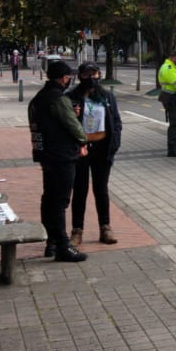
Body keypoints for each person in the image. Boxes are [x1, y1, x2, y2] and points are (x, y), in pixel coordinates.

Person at [28, 60, 89, 262]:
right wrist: (83, 141)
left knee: (49, 198)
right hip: (61, 155)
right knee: (60, 201)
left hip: (45, 154)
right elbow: (73, 126)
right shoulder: (58, 99)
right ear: (64, 78)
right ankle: (62, 245)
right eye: (68, 77)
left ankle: (51, 242)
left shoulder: (38, 99)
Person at [68, 62, 122, 247]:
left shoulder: (106, 96)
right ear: (80, 76)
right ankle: (77, 230)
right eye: (86, 74)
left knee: (101, 189)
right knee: (80, 190)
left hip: (102, 148)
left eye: (94, 73)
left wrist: (114, 145)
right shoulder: (72, 96)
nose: (91, 77)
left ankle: (105, 227)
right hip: (80, 150)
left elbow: (116, 122)